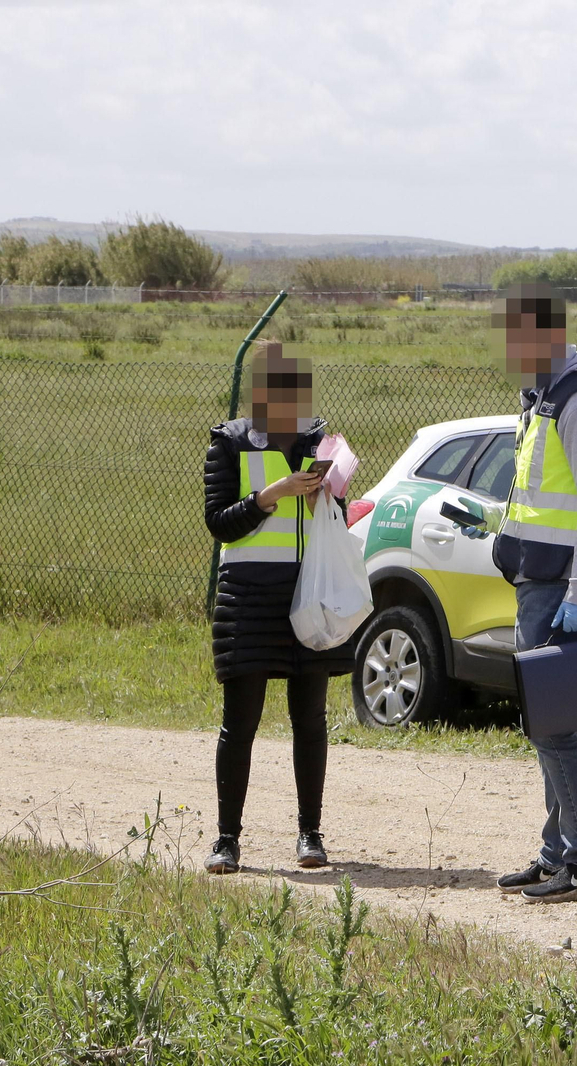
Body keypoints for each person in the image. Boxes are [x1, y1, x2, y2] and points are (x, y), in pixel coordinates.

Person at [469, 284, 577, 904]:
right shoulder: (546, 398)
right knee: (546, 723)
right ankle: (558, 852)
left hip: (565, 589)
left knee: (553, 726)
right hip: (543, 582)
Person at [202, 342, 351, 874]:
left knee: (310, 719)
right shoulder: (229, 443)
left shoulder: (321, 442)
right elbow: (218, 523)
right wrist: (271, 495)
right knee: (239, 722)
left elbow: (337, 516)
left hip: (309, 595)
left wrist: (330, 499)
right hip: (247, 597)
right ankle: (227, 840)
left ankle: (310, 834)